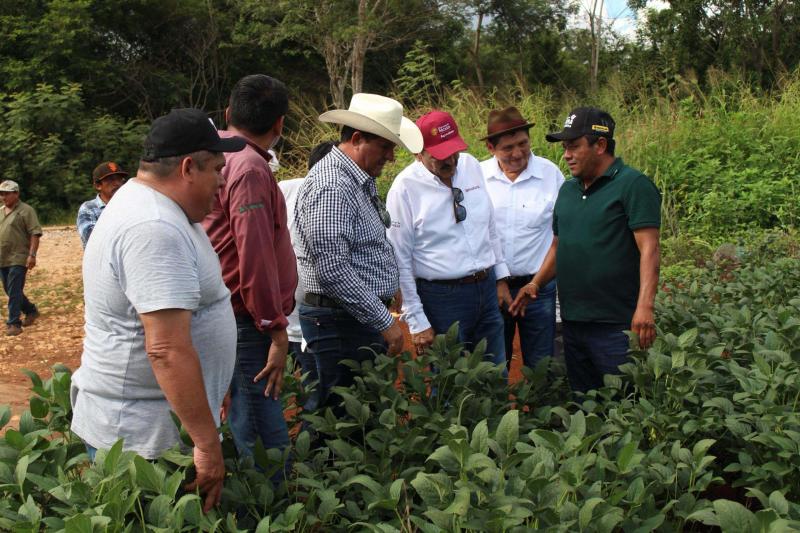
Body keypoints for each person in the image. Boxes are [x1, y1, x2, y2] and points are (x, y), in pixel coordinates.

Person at [70, 108, 246, 513]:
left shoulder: (159, 208)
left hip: (157, 425)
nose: (222, 181)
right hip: (145, 443)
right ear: (188, 168)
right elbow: (166, 349)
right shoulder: (153, 228)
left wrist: (211, 389)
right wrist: (205, 443)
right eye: (217, 169)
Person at [510, 107, 661, 393]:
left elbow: (650, 249)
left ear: (600, 145)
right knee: (585, 401)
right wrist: (535, 282)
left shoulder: (632, 185)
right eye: (565, 147)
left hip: (616, 324)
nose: (566, 154)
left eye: (574, 146)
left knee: (623, 405)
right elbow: (558, 245)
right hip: (573, 321)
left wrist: (645, 307)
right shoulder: (567, 190)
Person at [294, 93, 421, 414]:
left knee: (355, 412)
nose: (392, 157)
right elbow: (333, 269)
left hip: (351, 316)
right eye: (386, 147)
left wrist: (386, 284)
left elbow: (366, 241)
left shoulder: (356, 177)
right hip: (340, 321)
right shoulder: (332, 186)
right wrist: (383, 321)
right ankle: (316, 466)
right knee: (338, 416)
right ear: (357, 139)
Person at [202, 74, 297, 470]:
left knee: (243, 414)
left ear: (227, 115)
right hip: (246, 320)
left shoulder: (220, 158)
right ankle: (270, 511)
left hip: (231, 313)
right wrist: (274, 327)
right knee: (262, 428)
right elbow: (253, 256)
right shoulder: (250, 169)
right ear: (279, 125)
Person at [386, 110, 509, 367]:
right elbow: (400, 259)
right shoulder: (405, 188)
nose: (451, 160)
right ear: (418, 154)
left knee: (495, 373)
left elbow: (489, 226)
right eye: (440, 155)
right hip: (441, 299)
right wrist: (417, 321)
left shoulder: (471, 166)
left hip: (485, 289)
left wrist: (500, 278)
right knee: (449, 382)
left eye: (454, 151)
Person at [480, 106, 565, 370]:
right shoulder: (477, 178)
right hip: (492, 289)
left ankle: (539, 411)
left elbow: (560, 235)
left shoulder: (551, 175)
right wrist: (498, 281)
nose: (518, 153)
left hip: (539, 289)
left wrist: (538, 284)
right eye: (508, 148)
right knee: (493, 365)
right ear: (491, 149)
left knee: (542, 366)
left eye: (523, 144)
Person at [278, 140, 337, 403]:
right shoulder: (285, 191)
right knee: (311, 398)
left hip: (314, 323)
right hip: (287, 322)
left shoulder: (346, 197)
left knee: (317, 397)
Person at [0, 180, 41, 336]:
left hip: (19, 257)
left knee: (15, 289)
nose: (4, 197)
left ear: (16, 193)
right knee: (8, 289)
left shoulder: (26, 211)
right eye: (1, 194)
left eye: (7, 194)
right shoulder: (1, 211)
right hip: (3, 257)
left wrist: (32, 255)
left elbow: (35, 233)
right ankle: (30, 310)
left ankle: (13, 323)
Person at [76, 161, 128, 248]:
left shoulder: (130, 205)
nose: (117, 183)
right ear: (98, 185)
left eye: (119, 179)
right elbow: (93, 240)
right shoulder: (89, 209)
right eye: (111, 180)